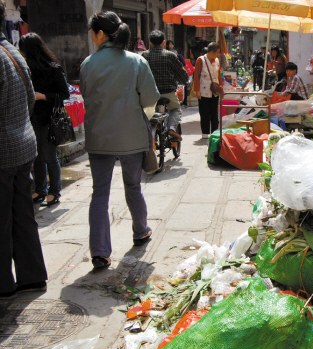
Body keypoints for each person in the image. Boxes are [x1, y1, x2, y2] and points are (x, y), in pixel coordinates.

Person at [80, 11, 160, 270]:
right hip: (131, 135)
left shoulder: (88, 63)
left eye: (92, 32)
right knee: (133, 186)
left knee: (99, 193)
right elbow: (150, 98)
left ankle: (100, 252)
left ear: (100, 34)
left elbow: (87, 96)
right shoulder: (136, 62)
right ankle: (140, 230)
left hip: (99, 137)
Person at [0, 0, 48, 297]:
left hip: (4, 150)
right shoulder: (13, 52)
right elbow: (30, 98)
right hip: (23, 143)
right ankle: (31, 275)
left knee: (2, 219)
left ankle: (3, 282)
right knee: (23, 214)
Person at [19, 32, 70, 207]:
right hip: (30, 117)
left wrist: (43, 96)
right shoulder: (24, 68)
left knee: (49, 156)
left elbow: (65, 94)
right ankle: (40, 189)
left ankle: (54, 191)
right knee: (36, 157)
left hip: (49, 118)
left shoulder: (53, 68)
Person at [142, 31, 188, 141]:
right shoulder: (170, 55)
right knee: (175, 109)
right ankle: (171, 128)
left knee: (146, 112)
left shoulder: (144, 56)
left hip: (150, 93)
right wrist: (183, 80)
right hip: (168, 92)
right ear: (164, 42)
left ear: (150, 43)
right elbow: (183, 75)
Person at [193, 42, 223, 139]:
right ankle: (205, 133)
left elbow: (219, 75)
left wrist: (221, 87)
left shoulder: (217, 60)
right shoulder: (200, 60)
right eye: (217, 52)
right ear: (212, 52)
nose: (218, 55)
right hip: (203, 90)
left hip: (214, 91)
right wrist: (196, 90)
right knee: (204, 113)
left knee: (214, 113)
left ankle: (214, 132)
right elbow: (196, 76)